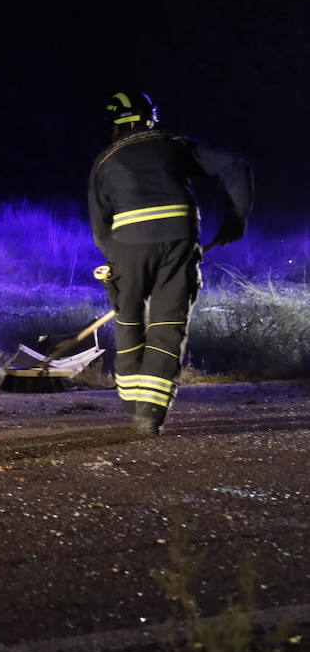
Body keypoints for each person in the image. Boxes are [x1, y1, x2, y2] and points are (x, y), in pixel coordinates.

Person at [87, 90, 253, 437]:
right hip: (179, 235)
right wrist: (235, 221)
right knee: (168, 324)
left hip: (127, 243)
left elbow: (100, 226)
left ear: (114, 127)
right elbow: (236, 167)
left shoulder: (104, 162)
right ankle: (150, 416)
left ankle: (133, 405)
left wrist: (115, 265)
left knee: (128, 318)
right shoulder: (175, 143)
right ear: (150, 117)